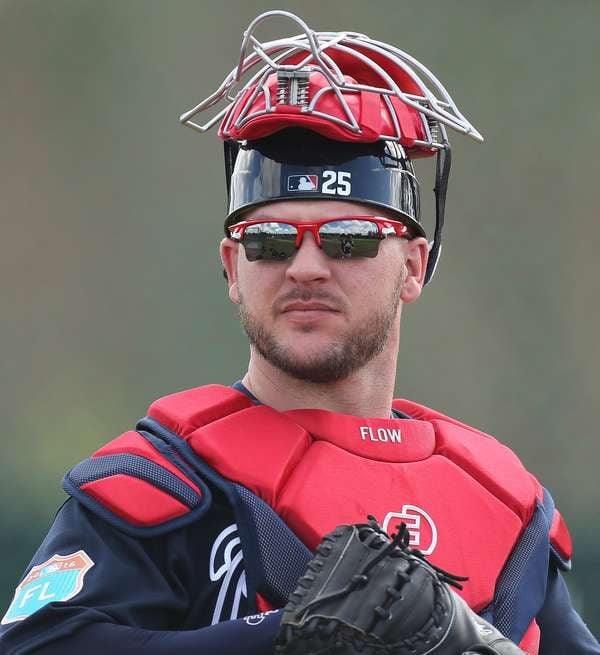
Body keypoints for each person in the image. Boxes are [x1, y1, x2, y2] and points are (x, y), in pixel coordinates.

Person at [1, 10, 598, 655]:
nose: (306, 267)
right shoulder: (163, 482)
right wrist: (281, 636)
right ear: (233, 268)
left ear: (413, 267)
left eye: (349, 240)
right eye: (270, 241)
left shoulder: (503, 505)